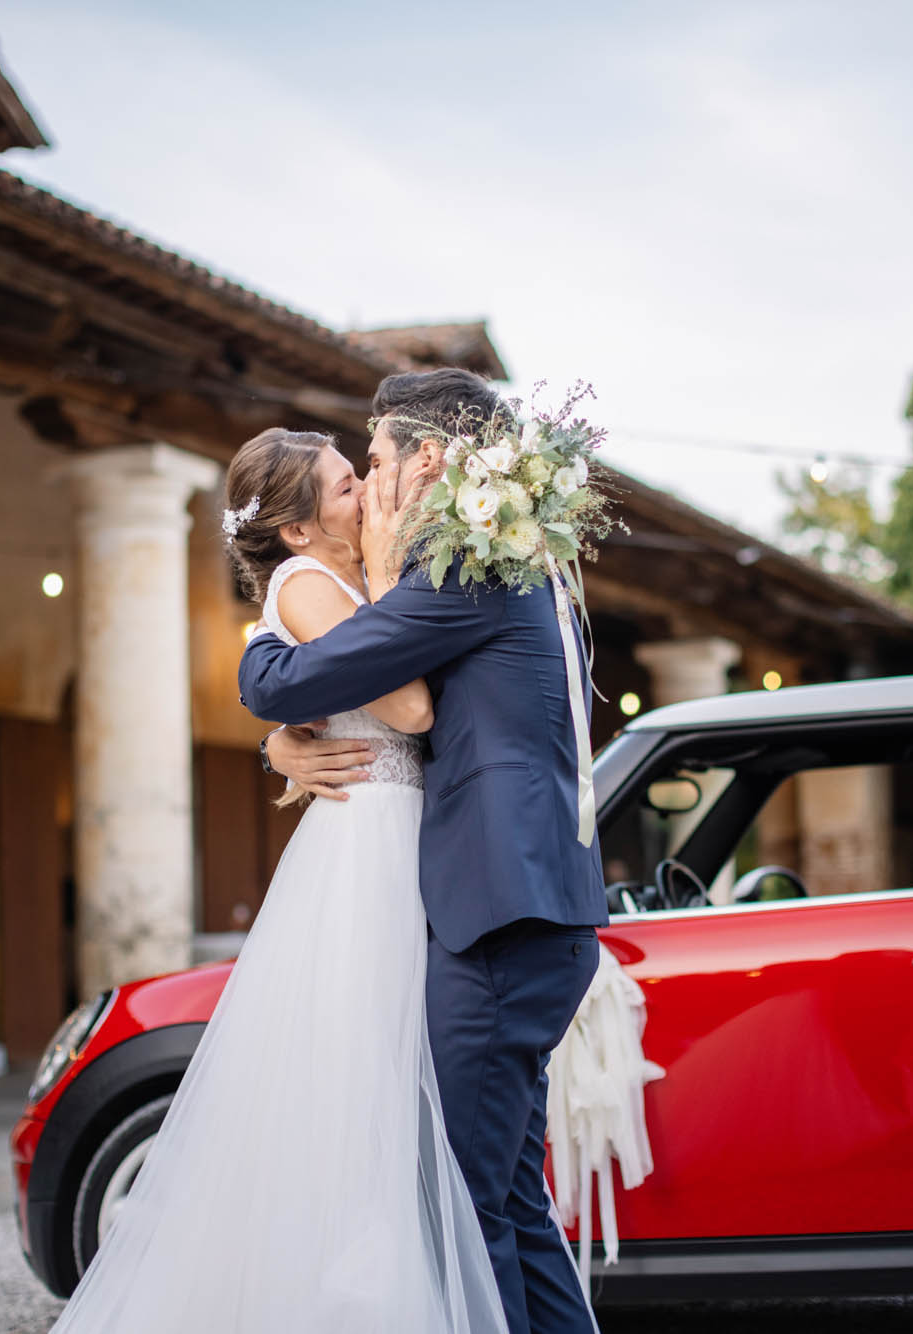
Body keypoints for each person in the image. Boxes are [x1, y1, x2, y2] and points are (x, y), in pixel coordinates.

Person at [46, 426, 507, 1333]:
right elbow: (409, 706)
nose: (364, 491)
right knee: (365, 1080)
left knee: (395, 1080)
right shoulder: (307, 586)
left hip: (397, 834)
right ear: (297, 532)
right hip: (367, 849)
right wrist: (377, 586)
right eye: (345, 488)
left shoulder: (347, 580)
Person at [243, 369, 607, 1334]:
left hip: (500, 917)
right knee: (509, 1201)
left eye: (376, 459)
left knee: (463, 1199)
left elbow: (304, 680)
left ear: (429, 460)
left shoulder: (466, 574)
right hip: (527, 913)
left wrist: (260, 667)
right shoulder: (505, 564)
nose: (369, 481)